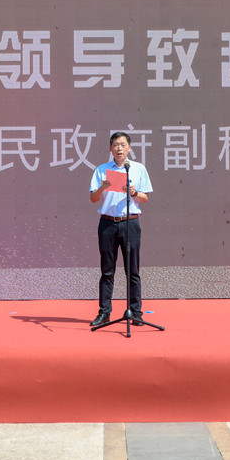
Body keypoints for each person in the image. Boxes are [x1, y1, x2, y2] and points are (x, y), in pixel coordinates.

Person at [89, 131, 152, 327]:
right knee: (107, 271)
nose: (119, 148)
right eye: (115, 145)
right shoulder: (101, 170)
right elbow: (93, 198)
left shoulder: (138, 169)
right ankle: (104, 313)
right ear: (110, 148)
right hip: (108, 223)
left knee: (132, 271)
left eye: (123, 145)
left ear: (129, 148)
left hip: (129, 223)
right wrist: (102, 187)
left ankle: (136, 312)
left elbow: (145, 198)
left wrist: (134, 192)